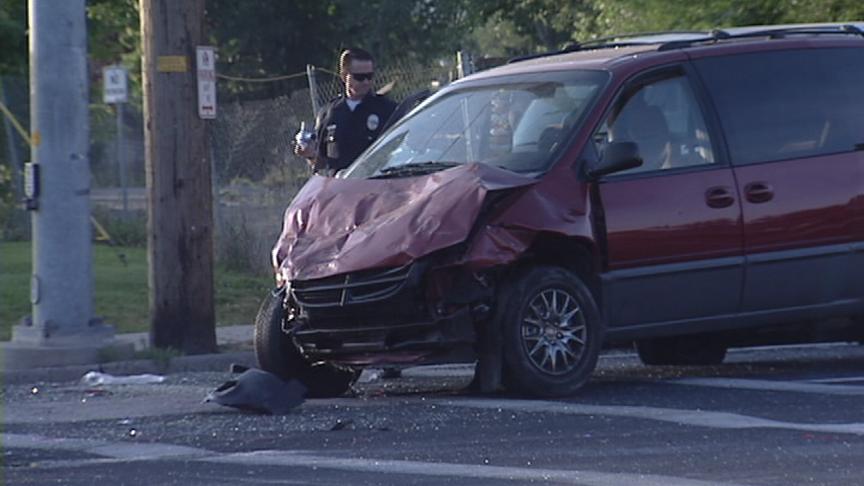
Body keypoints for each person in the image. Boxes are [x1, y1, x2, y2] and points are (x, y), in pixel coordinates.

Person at [295, 48, 397, 175]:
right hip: (342, 189)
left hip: (378, 187)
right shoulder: (329, 114)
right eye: (359, 77)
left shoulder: (387, 109)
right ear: (344, 76)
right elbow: (323, 162)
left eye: (369, 76)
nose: (366, 82)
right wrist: (310, 155)